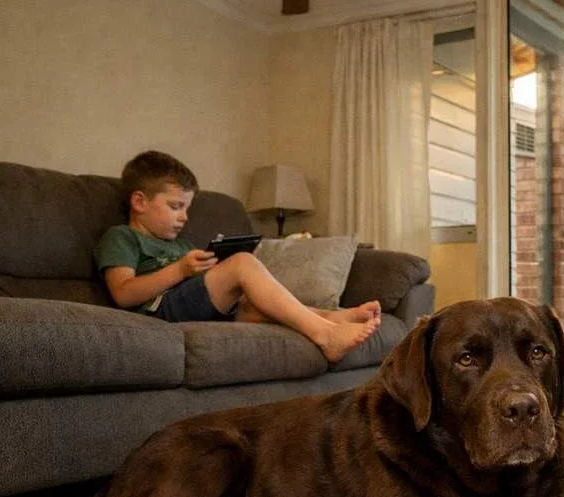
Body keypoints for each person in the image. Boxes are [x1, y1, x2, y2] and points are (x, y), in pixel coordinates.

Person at [94, 150, 380, 362]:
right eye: (175, 206)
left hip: (195, 308)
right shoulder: (122, 237)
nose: (184, 217)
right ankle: (325, 335)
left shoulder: (181, 246)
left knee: (254, 305)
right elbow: (123, 293)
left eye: (187, 209)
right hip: (156, 313)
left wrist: (207, 270)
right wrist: (180, 271)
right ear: (139, 201)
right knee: (242, 264)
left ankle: (332, 318)